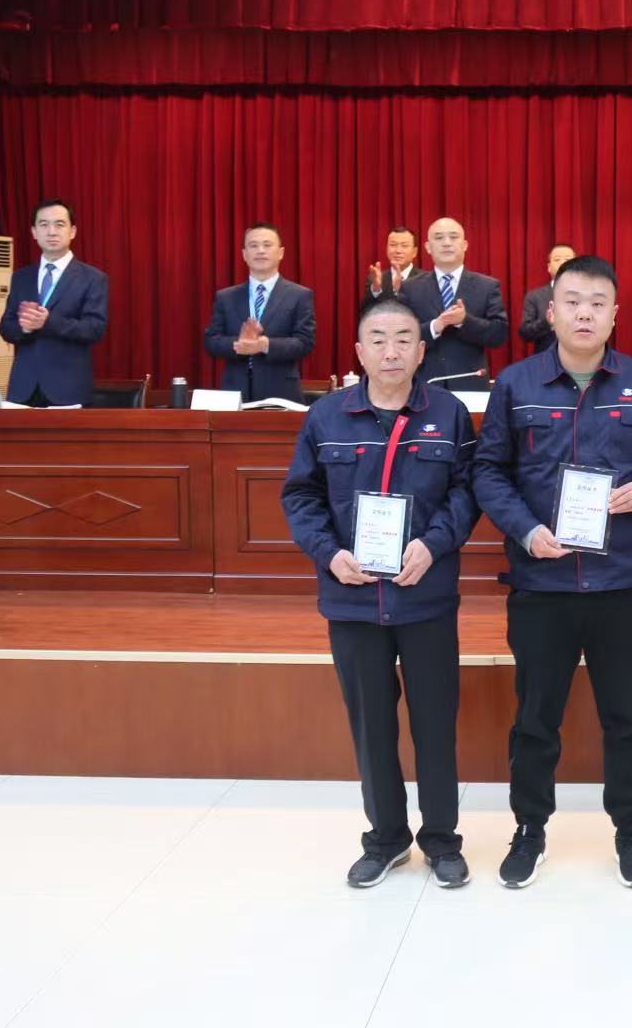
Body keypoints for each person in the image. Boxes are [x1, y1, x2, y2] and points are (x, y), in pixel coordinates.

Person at [473, 255, 632, 889]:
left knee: (629, 719)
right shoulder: (516, 384)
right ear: (551, 311)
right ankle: (529, 829)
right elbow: (488, 471)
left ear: (615, 315)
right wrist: (525, 530)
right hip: (542, 584)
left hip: (618, 585)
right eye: (573, 301)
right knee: (536, 720)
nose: (585, 313)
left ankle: (630, 830)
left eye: (597, 303)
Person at [281, 295, 481, 890]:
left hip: (425, 595)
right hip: (352, 597)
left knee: (434, 724)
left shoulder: (449, 414)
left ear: (421, 351)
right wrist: (329, 554)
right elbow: (301, 497)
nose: (391, 351)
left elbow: (468, 492)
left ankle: (441, 839)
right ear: (359, 351)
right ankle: (386, 838)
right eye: (378, 339)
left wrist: (433, 545)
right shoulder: (326, 416)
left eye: (403, 340)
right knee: (371, 727)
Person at [0, 198, 109, 407]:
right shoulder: (21, 277)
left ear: (72, 231)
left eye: (59, 224)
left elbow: (95, 329)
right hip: (23, 389)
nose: (51, 232)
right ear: (34, 232)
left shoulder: (93, 278)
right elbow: (5, 328)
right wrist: (24, 328)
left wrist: (48, 322)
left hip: (68, 389)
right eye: (43, 224)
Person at [203, 222, 318, 403]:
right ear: (244, 254)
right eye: (253, 245)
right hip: (235, 394)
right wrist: (239, 344)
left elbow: (305, 342)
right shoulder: (226, 297)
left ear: (280, 253)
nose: (260, 251)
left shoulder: (299, 295)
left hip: (281, 394)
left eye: (267, 245)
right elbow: (211, 341)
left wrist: (265, 345)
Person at [398, 217, 510, 386]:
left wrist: (464, 321)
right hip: (424, 383)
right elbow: (401, 337)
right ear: (428, 247)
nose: (447, 243)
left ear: (464, 245)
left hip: (470, 382)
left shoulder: (487, 286)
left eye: (453, 237)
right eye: (439, 238)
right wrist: (435, 326)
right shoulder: (410, 288)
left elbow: (499, 335)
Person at [517, 243, 579, 355]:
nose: (563, 263)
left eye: (568, 259)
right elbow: (525, 334)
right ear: (549, 267)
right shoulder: (535, 297)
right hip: (545, 360)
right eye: (557, 259)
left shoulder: (588, 295)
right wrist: (546, 322)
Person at [363, 226, 423, 303]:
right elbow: (366, 309)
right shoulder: (374, 280)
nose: (398, 250)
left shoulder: (426, 280)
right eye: (393, 245)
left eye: (404, 246)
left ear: (415, 252)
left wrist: (399, 293)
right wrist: (375, 290)